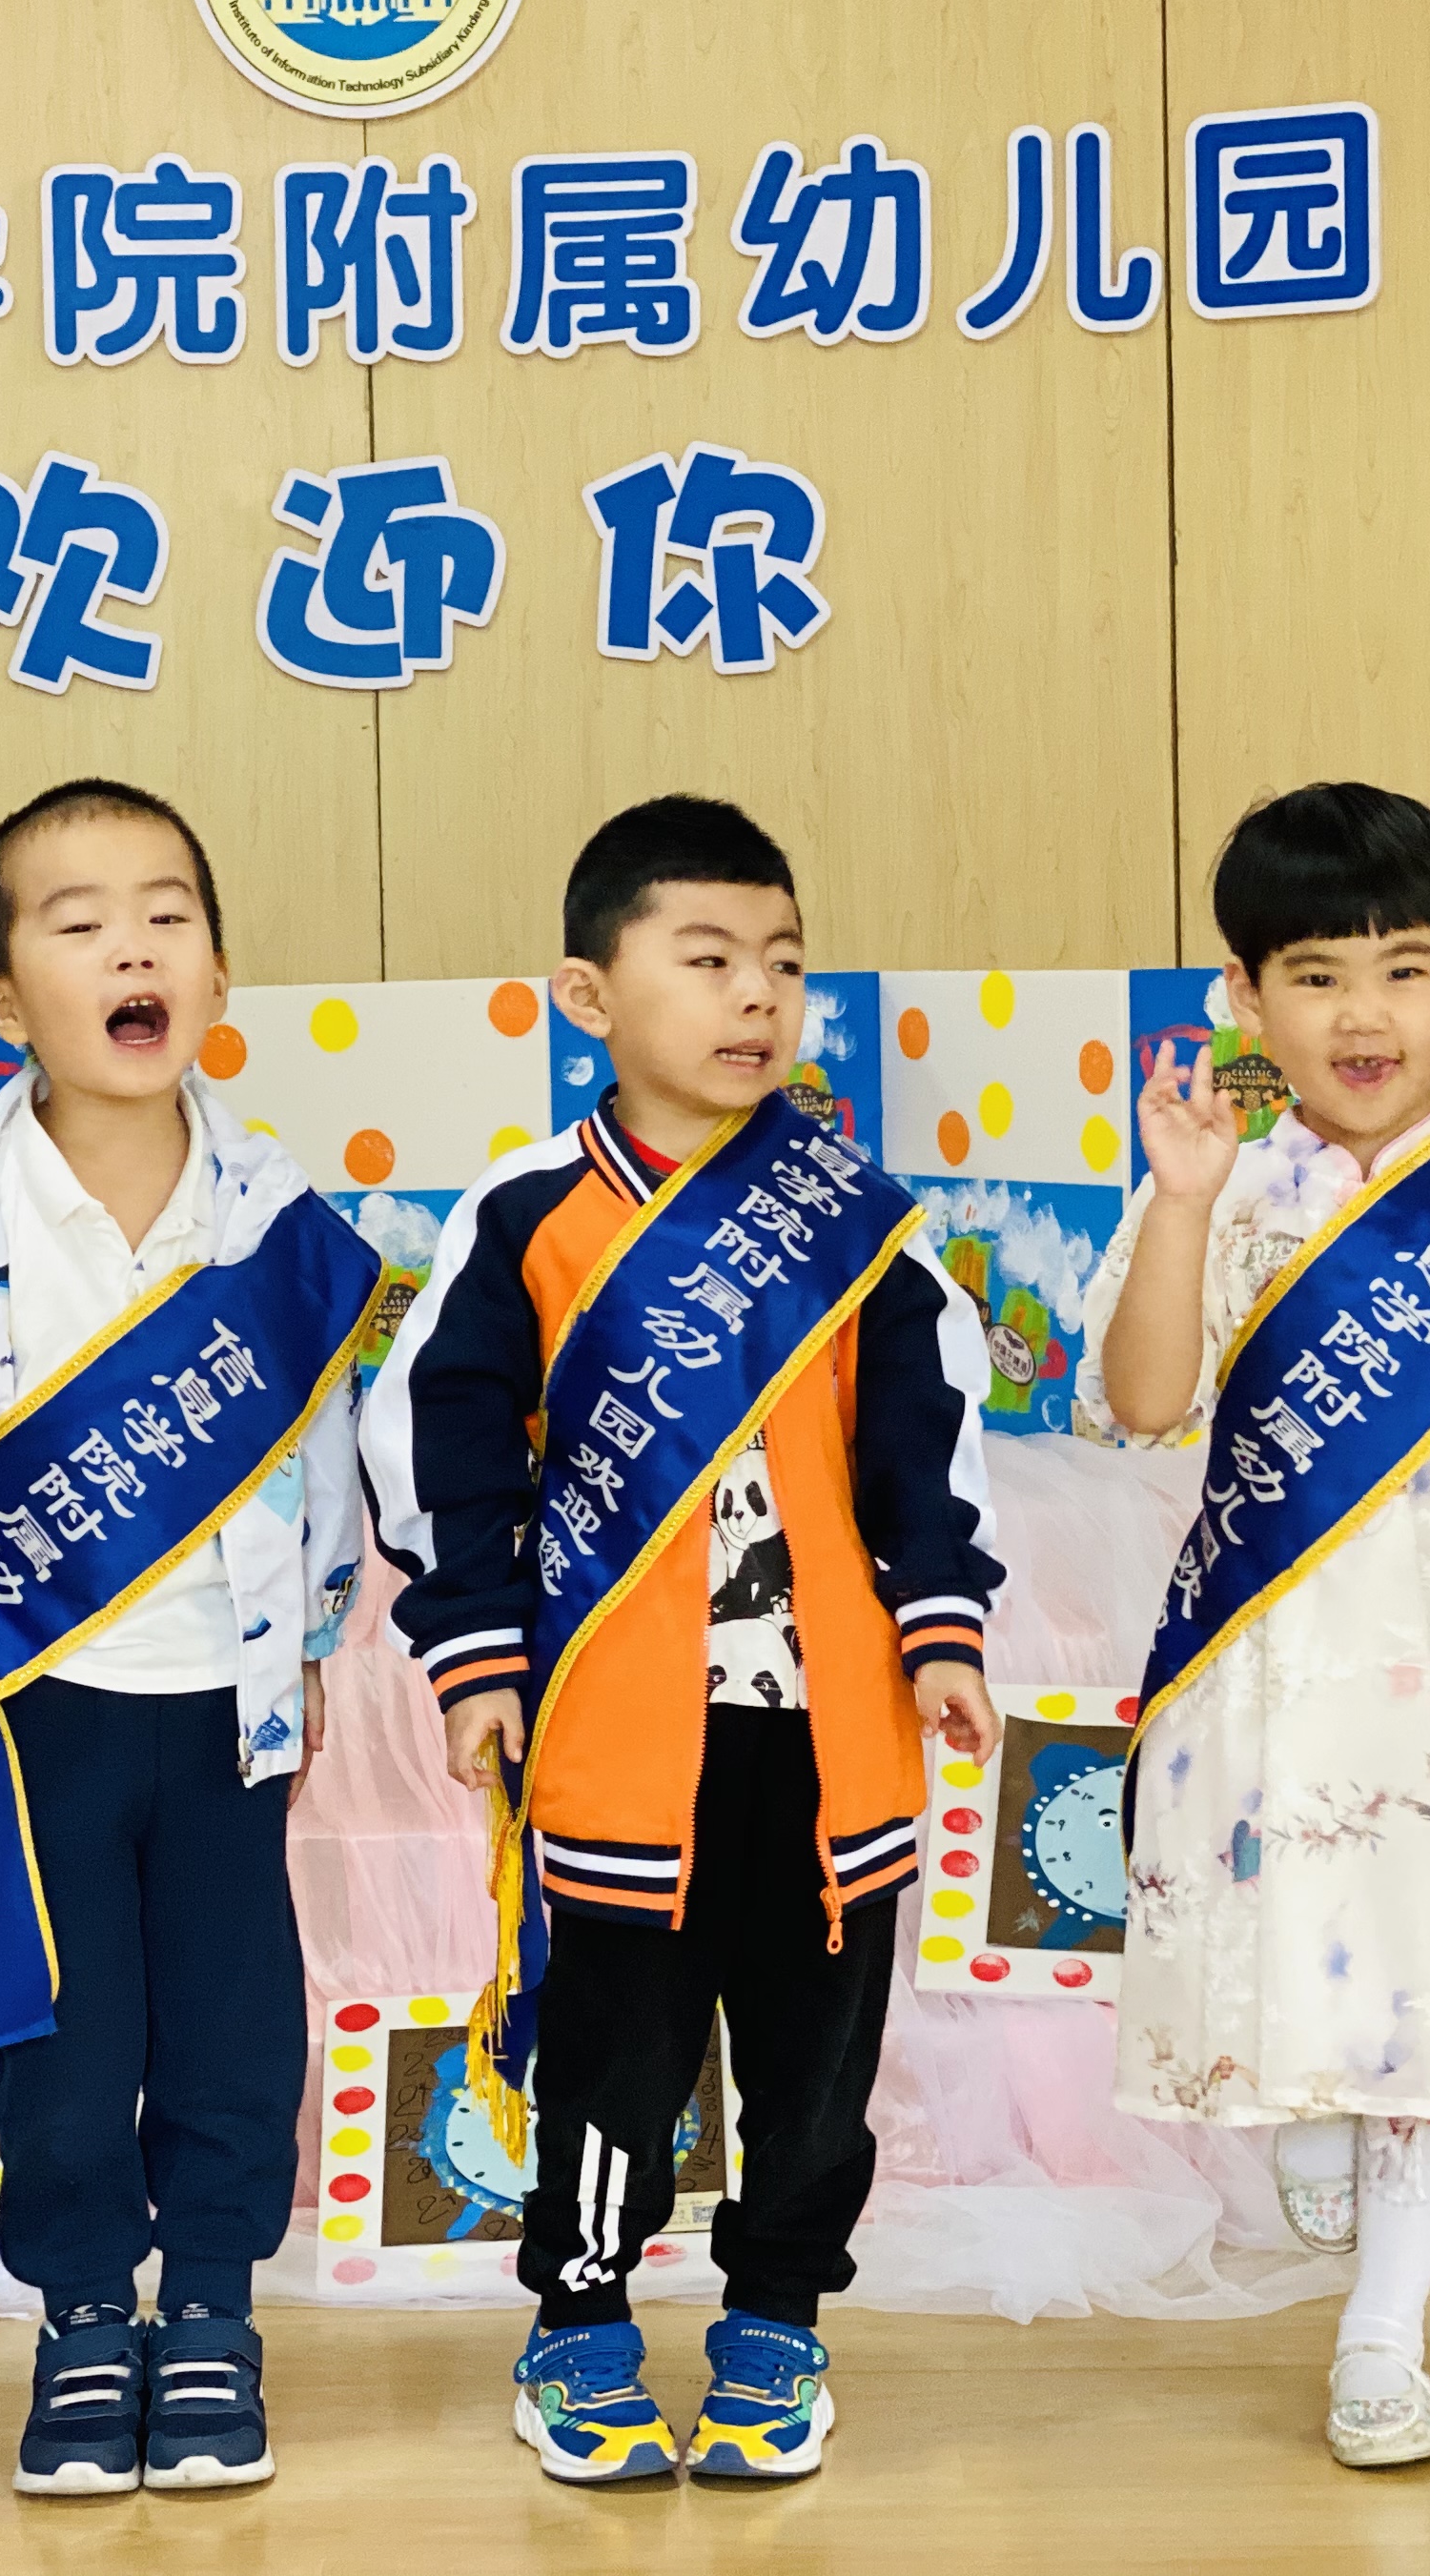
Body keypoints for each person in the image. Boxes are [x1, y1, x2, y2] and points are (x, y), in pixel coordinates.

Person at [363, 794, 1005, 2486]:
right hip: (617, 1731)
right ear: (590, 996)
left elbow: (926, 1443)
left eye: (781, 963)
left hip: (827, 1733)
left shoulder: (858, 1220)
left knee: (815, 2061)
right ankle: (578, 2324)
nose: (756, 997)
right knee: (611, 2057)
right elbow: (440, 1449)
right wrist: (477, 1656)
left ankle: (777, 2316)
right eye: (707, 959)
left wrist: (940, 1630)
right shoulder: (527, 1217)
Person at [1079, 781, 1430, 2468]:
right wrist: (1182, 1202)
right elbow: (1144, 1404)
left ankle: (1385, 2332)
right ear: (1247, 997)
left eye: (1403, 969)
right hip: (1265, 1667)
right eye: (1316, 975)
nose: (1363, 1013)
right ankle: (1312, 2120)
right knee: (1295, 1959)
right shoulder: (1220, 1182)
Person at [0, 779, 379, 2500]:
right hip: (33, 1698)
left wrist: (312, 1638)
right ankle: (86, 2311)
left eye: (168, 916)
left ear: (218, 975)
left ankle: (214, 2304)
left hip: (231, 1696)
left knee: (235, 2024)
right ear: (5, 1000)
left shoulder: (276, 1210)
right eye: (79, 924)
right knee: (68, 2041)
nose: (132, 949)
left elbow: (322, 1441)